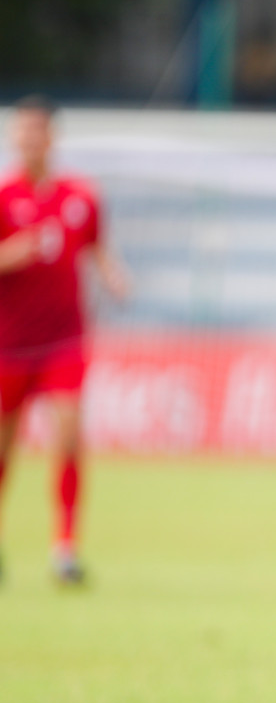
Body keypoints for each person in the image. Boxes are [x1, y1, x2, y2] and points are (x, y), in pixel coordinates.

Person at [0, 95, 130, 585]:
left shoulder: (81, 197)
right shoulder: (2, 195)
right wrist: (11, 256)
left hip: (64, 340)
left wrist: (115, 277)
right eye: (21, 132)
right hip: (8, 343)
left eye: (36, 131)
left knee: (70, 436)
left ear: (51, 137)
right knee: (4, 447)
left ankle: (65, 547)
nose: (28, 140)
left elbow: (98, 251)